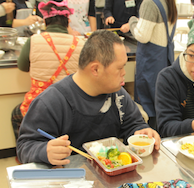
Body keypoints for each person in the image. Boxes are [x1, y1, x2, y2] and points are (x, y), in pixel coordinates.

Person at [16, 29, 161, 165]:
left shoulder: (117, 94)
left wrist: (141, 131)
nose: (124, 72)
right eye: (119, 67)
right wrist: (44, 151)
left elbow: (133, 124)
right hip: (69, 180)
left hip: (109, 176)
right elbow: (25, 147)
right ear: (95, 69)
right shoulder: (52, 101)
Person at [11, 0, 85, 141]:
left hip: (39, 105)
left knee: (16, 114)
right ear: (68, 23)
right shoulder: (80, 43)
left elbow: (22, 66)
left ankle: (25, 152)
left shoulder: (33, 40)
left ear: (45, 23)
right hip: (71, 106)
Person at [128, 0, 177, 129]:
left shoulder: (149, 3)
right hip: (164, 57)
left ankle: (148, 136)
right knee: (160, 100)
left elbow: (142, 35)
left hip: (151, 61)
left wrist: (132, 21)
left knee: (147, 103)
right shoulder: (169, 2)